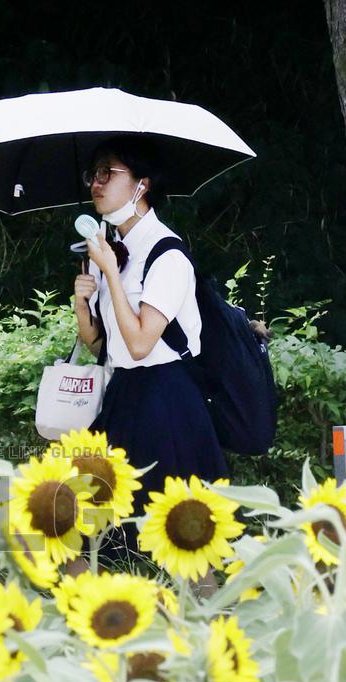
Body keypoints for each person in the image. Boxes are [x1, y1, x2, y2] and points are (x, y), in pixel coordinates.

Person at [72, 136, 229, 566]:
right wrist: (82, 304)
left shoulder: (168, 254)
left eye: (108, 173)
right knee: (90, 530)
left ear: (141, 185)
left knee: (185, 541)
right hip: (124, 396)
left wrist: (110, 274)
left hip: (168, 401)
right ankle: (105, 621)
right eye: (94, 174)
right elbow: (103, 345)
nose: (96, 184)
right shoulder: (113, 251)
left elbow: (142, 343)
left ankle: (207, 627)